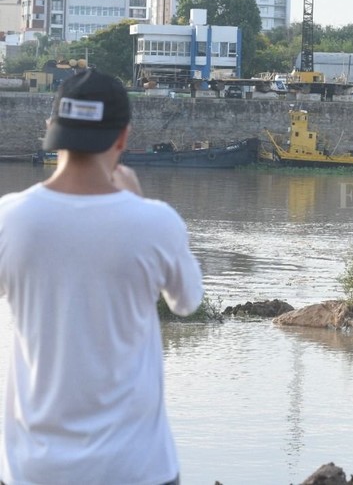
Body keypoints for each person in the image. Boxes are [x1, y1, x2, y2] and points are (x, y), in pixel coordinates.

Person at [0, 69, 203, 484]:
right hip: (136, 466)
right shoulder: (155, 222)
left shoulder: (9, 219)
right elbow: (187, 302)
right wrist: (137, 202)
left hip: (33, 469)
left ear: (50, 129)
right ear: (123, 138)